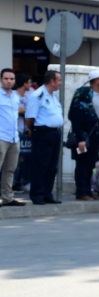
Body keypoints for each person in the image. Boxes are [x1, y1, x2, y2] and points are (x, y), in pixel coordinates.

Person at [24, 70, 64, 205]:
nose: (60, 83)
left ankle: (47, 193)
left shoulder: (54, 95)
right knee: (40, 164)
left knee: (52, 165)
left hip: (55, 132)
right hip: (43, 132)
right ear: (52, 81)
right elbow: (29, 118)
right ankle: (37, 194)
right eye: (59, 80)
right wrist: (32, 130)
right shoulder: (38, 95)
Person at [67, 70, 99, 200]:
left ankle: (88, 191)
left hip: (92, 141)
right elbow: (77, 124)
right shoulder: (78, 108)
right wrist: (81, 140)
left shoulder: (89, 107)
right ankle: (81, 192)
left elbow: (96, 124)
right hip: (83, 141)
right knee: (82, 166)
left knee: (90, 166)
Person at [0, 68, 25, 206]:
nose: (9, 81)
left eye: (11, 79)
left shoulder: (16, 97)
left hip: (14, 138)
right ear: (1, 80)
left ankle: (7, 197)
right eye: (6, 78)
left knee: (10, 169)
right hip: (1, 137)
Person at [13, 73, 32, 193]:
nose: (30, 85)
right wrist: (27, 110)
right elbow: (16, 110)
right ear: (24, 83)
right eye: (29, 82)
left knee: (24, 159)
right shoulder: (14, 96)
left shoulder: (28, 96)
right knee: (14, 159)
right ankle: (13, 184)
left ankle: (21, 182)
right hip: (15, 131)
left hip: (25, 130)